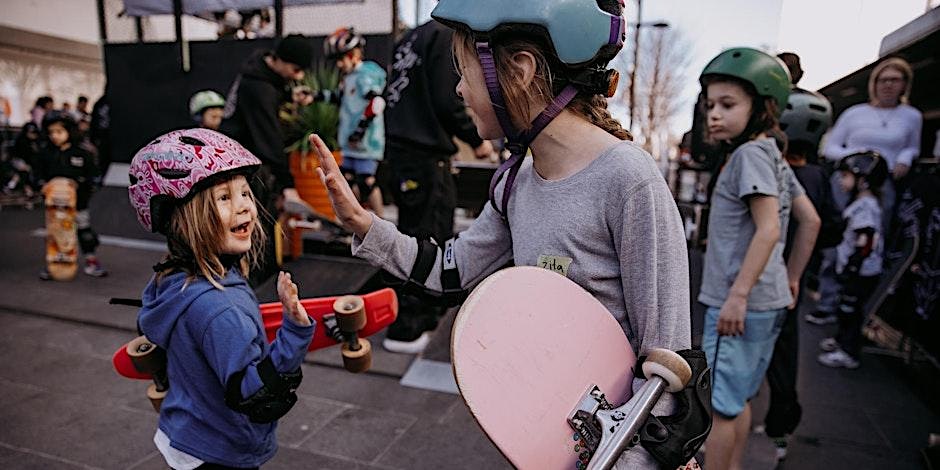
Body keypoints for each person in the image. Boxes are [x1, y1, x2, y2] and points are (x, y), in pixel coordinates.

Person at [313, 1, 704, 467]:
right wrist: (364, 226)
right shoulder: (515, 179)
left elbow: (667, 372)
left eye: (464, 72)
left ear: (519, 71)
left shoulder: (627, 179)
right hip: (548, 445)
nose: (458, 89)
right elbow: (449, 272)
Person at [128, 128, 315, 469]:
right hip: (220, 450)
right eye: (225, 198)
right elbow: (253, 393)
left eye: (245, 193)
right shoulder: (221, 308)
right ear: (186, 219)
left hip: (186, 431)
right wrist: (296, 332)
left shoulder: (172, 282)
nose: (245, 206)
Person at [697, 48, 820, 470]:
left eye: (728, 105)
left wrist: (738, 295)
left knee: (716, 407)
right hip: (765, 302)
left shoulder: (749, 155)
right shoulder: (772, 155)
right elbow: (810, 221)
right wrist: (793, 278)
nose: (714, 114)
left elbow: (769, 228)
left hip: (737, 304)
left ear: (763, 107)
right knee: (737, 399)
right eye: (711, 104)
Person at [381, 17, 496, 353]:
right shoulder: (446, 35)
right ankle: (408, 326)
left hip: (405, 150)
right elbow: (450, 99)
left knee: (420, 232)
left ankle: (421, 317)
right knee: (426, 236)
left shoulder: (412, 37)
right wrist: (477, 139)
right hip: (425, 154)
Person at [760, 88, 835, 461]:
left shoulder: (772, 169)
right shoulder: (819, 177)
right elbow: (828, 227)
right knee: (784, 356)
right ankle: (780, 426)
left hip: (762, 277)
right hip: (793, 280)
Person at [223, 33, 315, 285]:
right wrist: (288, 184)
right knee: (257, 230)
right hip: (243, 169)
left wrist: (288, 97)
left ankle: (259, 279)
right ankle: (258, 285)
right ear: (281, 60)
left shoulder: (259, 73)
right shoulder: (259, 88)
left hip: (242, 164)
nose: (298, 77)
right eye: (296, 70)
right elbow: (270, 142)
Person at [822, 57, 922, 238]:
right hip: (848, 178)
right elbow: (830, 148)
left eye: (895, 79)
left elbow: (913, 147)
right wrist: (859, 158)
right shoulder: (854, 113)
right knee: (838, 224)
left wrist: (905, 156)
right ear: (874, 83)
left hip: (883, 180)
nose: (888, 84)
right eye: (883, 80)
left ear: (904, 84)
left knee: (878, 229)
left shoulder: (912, 116)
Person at [817, 151, 887, 370]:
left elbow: (865, 238)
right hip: (856, 268)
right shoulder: (860, 202)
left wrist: (853, 266)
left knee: (851, 309)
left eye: (846, 176)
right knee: (844, 307)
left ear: (863, 181)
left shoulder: (865, 206)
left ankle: (849, 352)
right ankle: (840, 340)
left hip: (861, 271)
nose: (841, 180)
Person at [317, 27, 387, 217]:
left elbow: (376, 102)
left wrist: (361, 130)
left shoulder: (365, 75)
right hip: (350, 144)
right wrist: (314, 96)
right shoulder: (348, 78)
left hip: (366, 143)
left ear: (355, 55)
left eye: (342, 58)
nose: (339, 64)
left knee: (366, 182)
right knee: (346, 181)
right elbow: (340, 98)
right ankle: (352, 221)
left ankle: (382, 223)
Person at [35, 111, 107, 278]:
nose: (55, 136)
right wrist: (42, 186)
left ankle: (91, 260)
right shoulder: (45, 154)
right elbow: (37, 175)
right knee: (56, 233)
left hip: (78, 202)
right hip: (54, 206)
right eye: (51, 132)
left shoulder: (82, 154)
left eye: (59, 132)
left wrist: (80, 184)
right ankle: (56, 263)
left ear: (69, 131)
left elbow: (95, 177)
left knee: (84, 232)